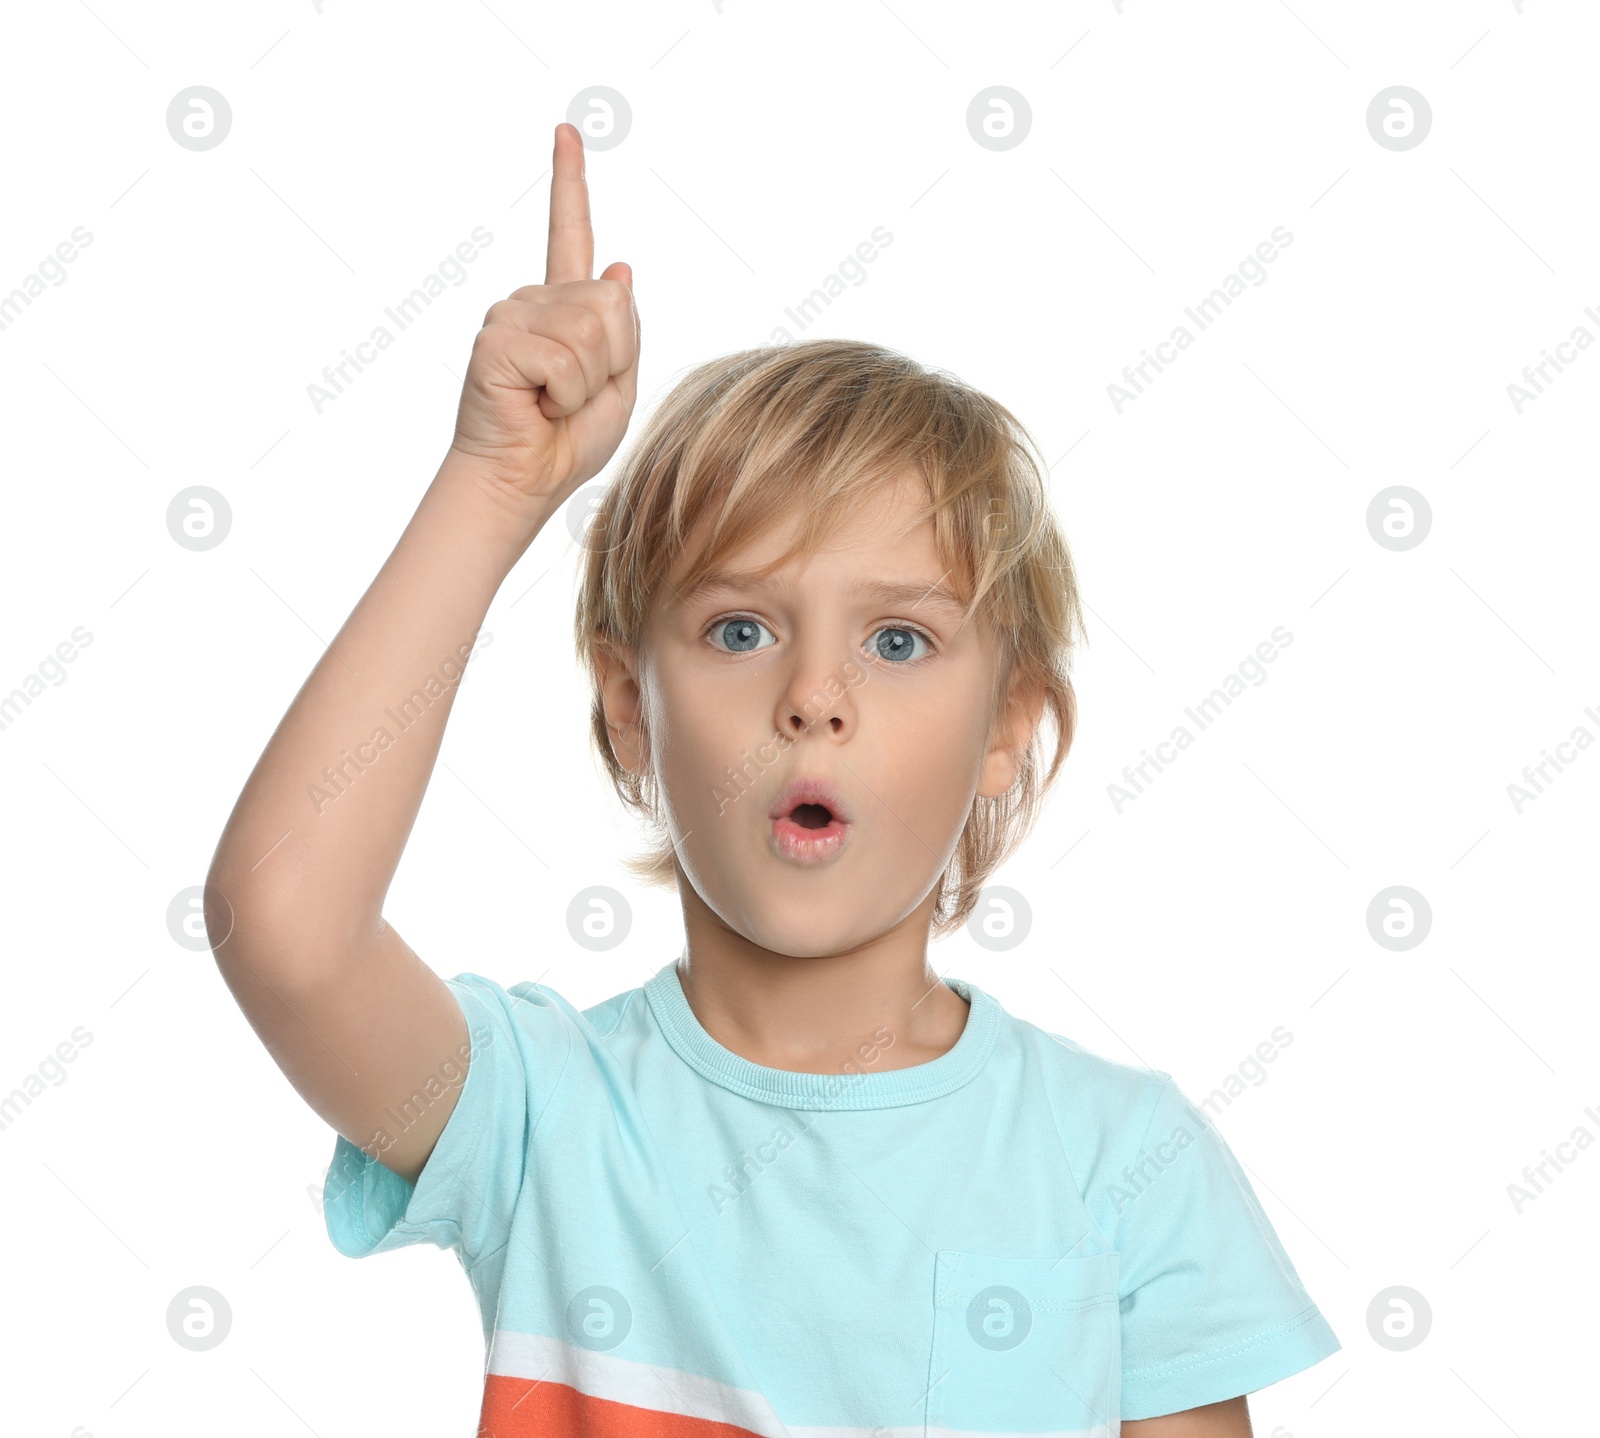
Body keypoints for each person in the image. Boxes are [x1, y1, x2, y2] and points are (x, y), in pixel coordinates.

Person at [206, 120, 1339, 1436]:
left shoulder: (1128, 1168)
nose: (816, 694)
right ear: (632, 711)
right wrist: (495, 485)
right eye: (741, 630)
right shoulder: (543, 1117)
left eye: (899, 638)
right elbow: (283, 929)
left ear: (1007, 727)